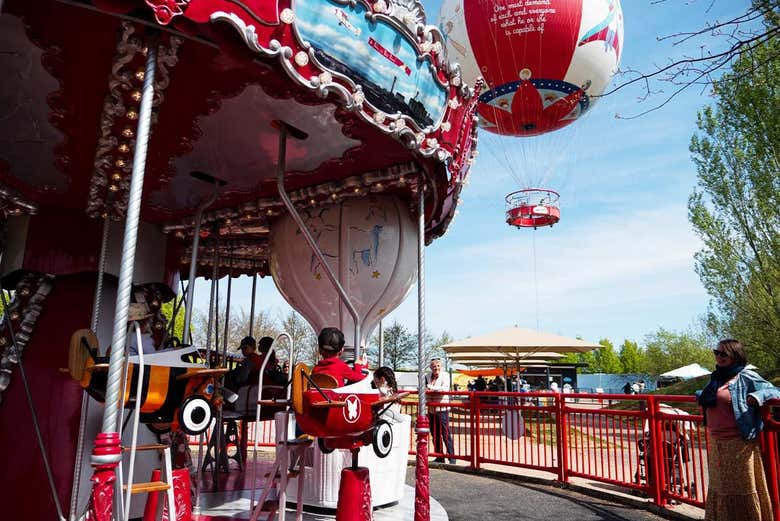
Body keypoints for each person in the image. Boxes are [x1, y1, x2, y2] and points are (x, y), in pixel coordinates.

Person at [696, 339, 780, 521]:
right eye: (716, 352)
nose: (719, 357)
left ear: (735, 356)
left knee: (741, 489)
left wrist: (758, 396)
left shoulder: (746, 376)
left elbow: (775, 391)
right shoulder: (716, 378)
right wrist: (701, 395)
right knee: (720, 487)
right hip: (716, 441)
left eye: (723, 354)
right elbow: (714, 397)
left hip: (738, 442)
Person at [425, 358, 455, 464]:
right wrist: (430, 389)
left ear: (441, 367)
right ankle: (439, 456)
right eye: (434, 366)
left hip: (442, 409)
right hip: (431, 409)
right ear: (430, 367)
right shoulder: (427, 376)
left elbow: (445, 389)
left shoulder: (445, 375)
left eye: (438, 366)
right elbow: (423, 388)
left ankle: (451, 457)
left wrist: (431, 388)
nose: (436, 368)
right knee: (435, 434)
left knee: (446, 434)